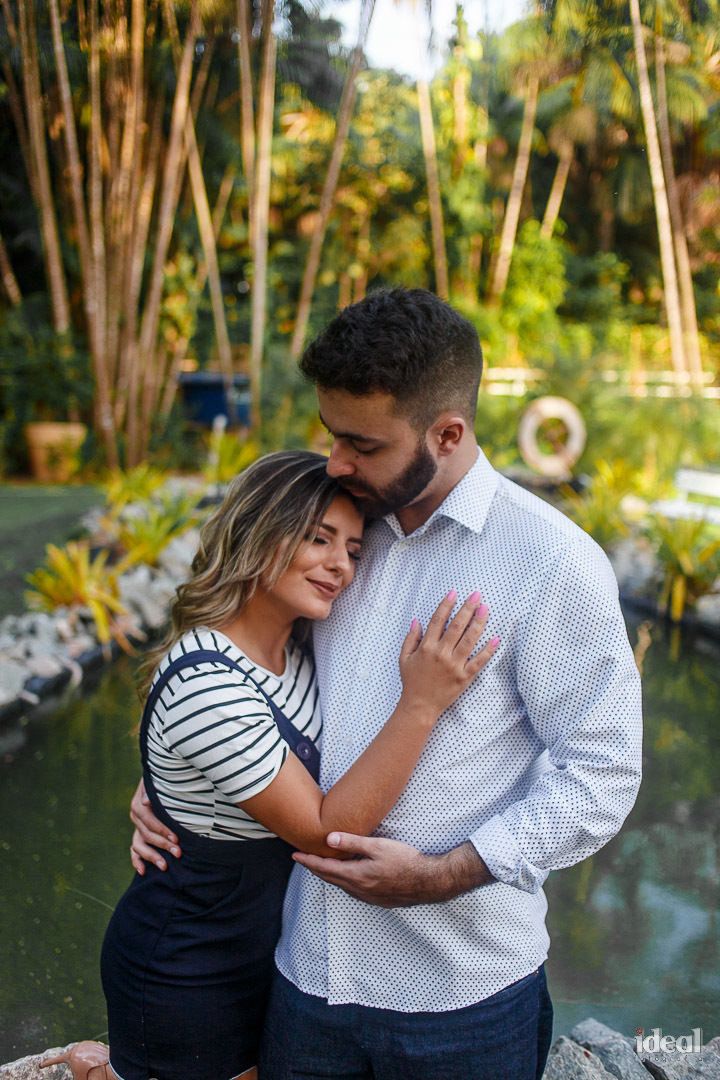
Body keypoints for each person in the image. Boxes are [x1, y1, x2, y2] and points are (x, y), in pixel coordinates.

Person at [131, 288, 643, 1080]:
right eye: (331, 436)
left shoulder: (552, 563)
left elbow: (603, 773)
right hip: (303, 978)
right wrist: (177, 792)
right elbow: (242, 680)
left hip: (464, 995)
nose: (337, 463)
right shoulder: (333, 534)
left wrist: (449, 872)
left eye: (361, 445)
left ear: (447, 433)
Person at [43, 449, 498, 1080]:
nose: (341, 566)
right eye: (319, 539)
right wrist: (421, 704)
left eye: (354, 550)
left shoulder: (298, 644)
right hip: (189, 961)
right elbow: (321, 831)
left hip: (272, 948)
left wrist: (162, 787)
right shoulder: (207, 680)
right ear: (258, 534)